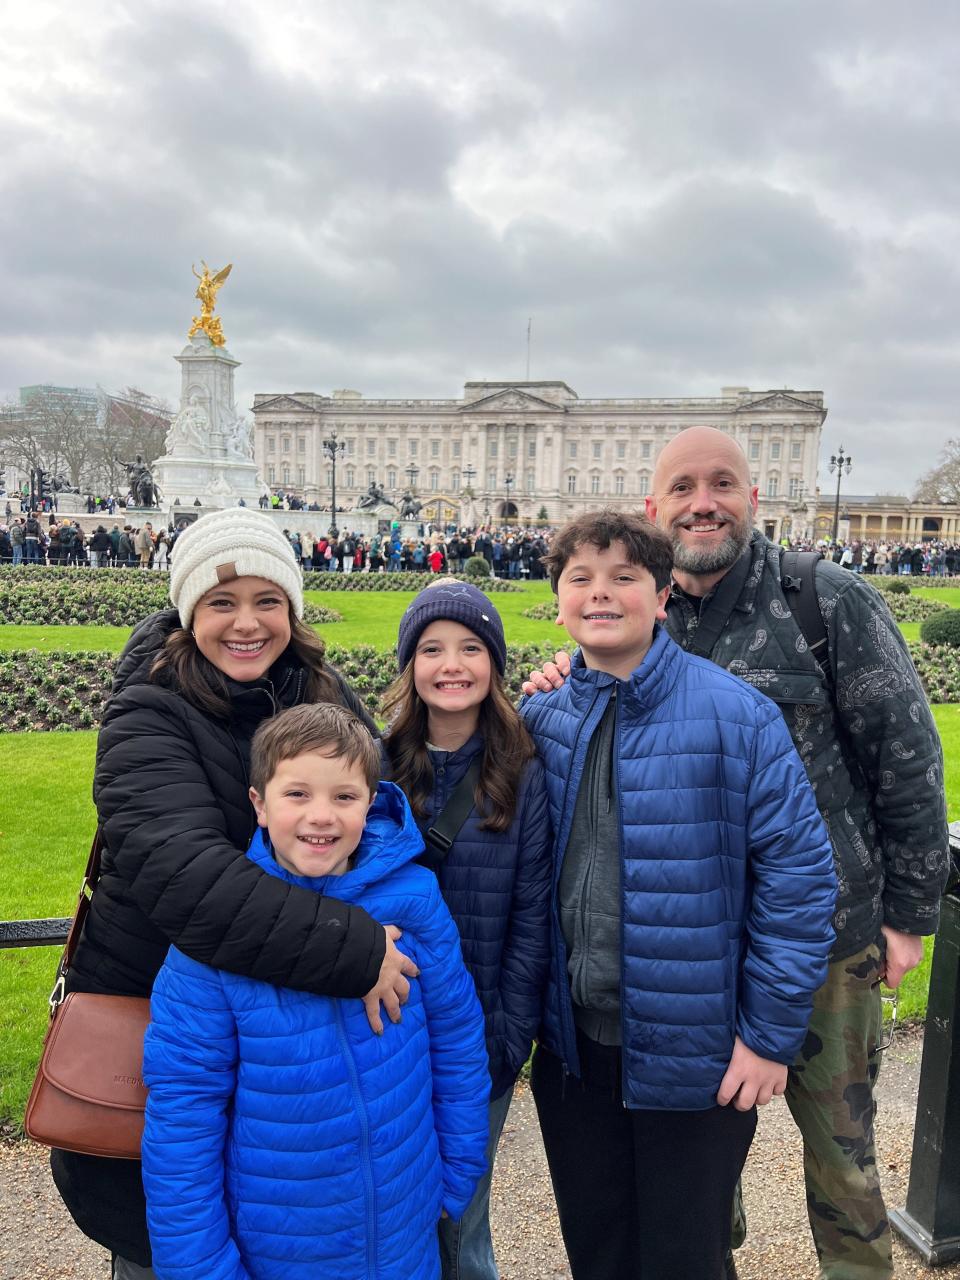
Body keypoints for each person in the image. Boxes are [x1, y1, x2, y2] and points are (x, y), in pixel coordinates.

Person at [525, 428, 950, 1280]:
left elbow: (907, 757)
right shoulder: (642, 605)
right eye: (682, 487)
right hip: (690, 953)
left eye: (722, 484)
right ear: (655, 512)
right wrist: (559, 680)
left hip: (826, 939)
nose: (703, 501)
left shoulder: (823, 599)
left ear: (754, 500)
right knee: (698, 1179)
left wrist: (908, 918)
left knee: (842, 1161)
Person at [49, 507, 419, 1278]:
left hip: (290, 1072)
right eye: (222, 603)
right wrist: (354, 948)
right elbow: (186, 882)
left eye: (267, 602)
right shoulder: (147, 711)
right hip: (171, 1042)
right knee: (176, 1249)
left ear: (292, 609)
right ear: (189, 613)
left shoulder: (318, 688)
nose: (247, 624)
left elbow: (378, 813)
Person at [520, 508, 837, 1280]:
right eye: (581, 579)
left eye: (625, 577)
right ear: (558, 601)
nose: (602, 594)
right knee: (599, 1251)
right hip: (575, 1052)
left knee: (685, 1258)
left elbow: (799, 886)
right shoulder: (537, 715)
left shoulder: (738, 715)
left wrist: (767, 1036)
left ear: (662, 596)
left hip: (696, 1056)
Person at [141, 701, 490, 1280]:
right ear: (259, 804)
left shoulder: (416, 899)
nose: (321, 817)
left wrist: (452, 1176)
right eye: (297, 795)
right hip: (281, 1248)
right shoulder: (220, 934)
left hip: (404, 1229)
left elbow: (455, 1040)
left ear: (371, 801)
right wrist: (202, 1266)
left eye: (344, 797)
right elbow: (183, 1115)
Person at [383, 581, 552, 1280]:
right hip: (385, 1036)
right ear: (410, 665)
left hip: (478, 1042)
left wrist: (507, 1037)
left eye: (470, 648)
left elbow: (532, 918)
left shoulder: (522, 771)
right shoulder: (374, 761)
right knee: (393, 1215)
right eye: (432, 649)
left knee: (463, 1224)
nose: (451, 665)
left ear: (494, 664)